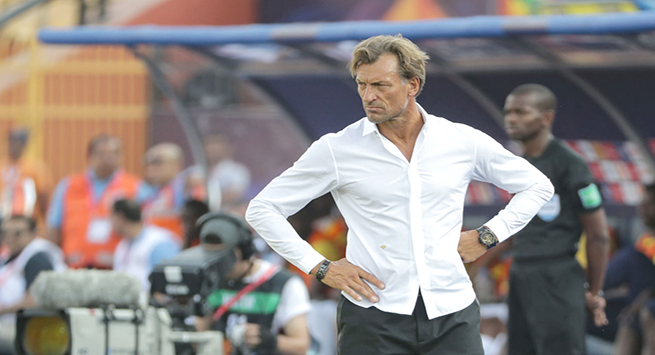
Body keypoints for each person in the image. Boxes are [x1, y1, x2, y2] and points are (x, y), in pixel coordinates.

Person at [246, 34, 554, 355]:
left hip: (452, 311)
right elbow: (262, 209)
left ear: (413, 85)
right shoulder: (337, 149)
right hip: (372, 316)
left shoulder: (461, 140)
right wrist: (321, 267)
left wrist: (489, 235)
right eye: (362, 84)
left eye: (380, 85)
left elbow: (537, 185)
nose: (368, 95)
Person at [502, 83, 610, 355]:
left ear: (546, 117)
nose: (511, 118)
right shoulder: (519, 165)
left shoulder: (570, 164)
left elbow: (598, 235)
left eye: (521, 112)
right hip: (521, 273)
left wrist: (594, 292)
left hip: (557, 275)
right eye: (508, 112)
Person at [195, 213, 311, 355]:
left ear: (244, 250)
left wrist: (270, 340)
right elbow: (199, 338)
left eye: (223, 257)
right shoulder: (211, 280)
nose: (217, 266)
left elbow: (301, 346)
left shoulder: (283, 283)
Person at [46, 134, 144, 269]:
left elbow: (141, 229)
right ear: (90, 156)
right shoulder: (69, 185)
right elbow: (53, 227)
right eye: (102, 153)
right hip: (73, 266)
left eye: (114, 153)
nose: (108, 158)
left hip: (116, 267)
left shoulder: (136, 187)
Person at [0, 215, 66, 354]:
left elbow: (36, 299)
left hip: (29, 331)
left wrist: (3, 309)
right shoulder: (11, 255)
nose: (10, 238)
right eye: (5, 233)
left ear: (34, 233)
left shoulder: (37, 258)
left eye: (18, 233)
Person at [606, 183, 655, 355]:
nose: (641, 208)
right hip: (636, 298)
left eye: (649, 204)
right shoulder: (646, 239)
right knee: (631, 317)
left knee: (648, 311)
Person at [110, 198, 180, 292]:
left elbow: (171, 282)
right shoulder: (122, 246)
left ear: (121, 217)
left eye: (112, 217)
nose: (111, 223)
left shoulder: (159, 241)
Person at [141, 143, 206, 240]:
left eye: (157, 163)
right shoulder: (149, 191)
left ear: (176, 164)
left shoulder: (186, 186)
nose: (151, 169)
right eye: (148, 164)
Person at [0, 127, 52, 224]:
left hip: (27, 222)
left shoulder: (34, 168)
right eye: (11, 141)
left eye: (16, 142)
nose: (12, 145)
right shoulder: (3, 166)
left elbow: (43, 196)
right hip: (4, 222)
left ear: (23, 145)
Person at [203, 133, 251, 212]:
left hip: (226, 214)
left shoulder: (238, 171)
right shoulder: (195, 170)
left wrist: (207, 200)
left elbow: (234, 194)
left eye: (217, 143)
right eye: (209, 144)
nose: (212, 148)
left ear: (228, 148)